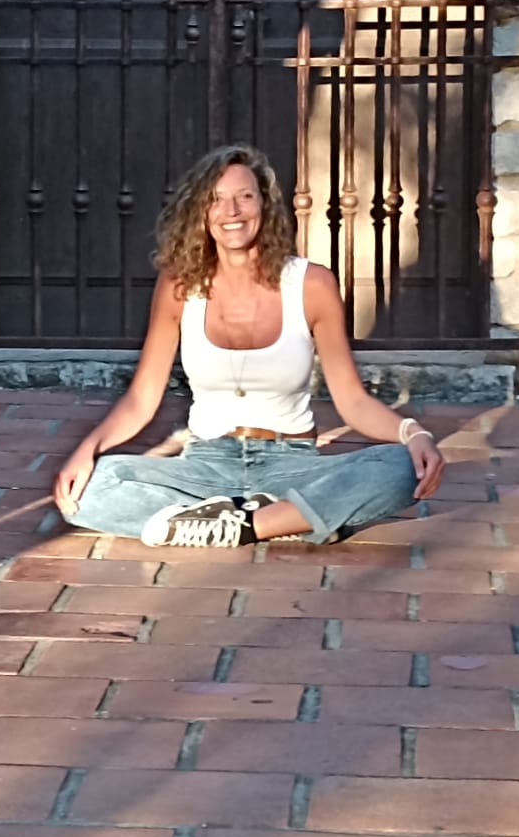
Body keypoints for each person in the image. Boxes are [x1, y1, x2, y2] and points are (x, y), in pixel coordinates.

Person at [54, 143, 445, 550]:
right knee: (88, 486)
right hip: (206, 464)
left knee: (400, 466)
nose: (232, 211)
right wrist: (87, 449)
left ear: (264, 205)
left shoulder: (312, 285)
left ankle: (233, 525)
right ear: (200, 213)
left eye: (244, 196)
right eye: (217, 200)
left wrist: (413, 433)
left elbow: (351, 400)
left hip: (290, 462)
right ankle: (286, 518)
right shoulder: (179, 286)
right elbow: (141, 398)